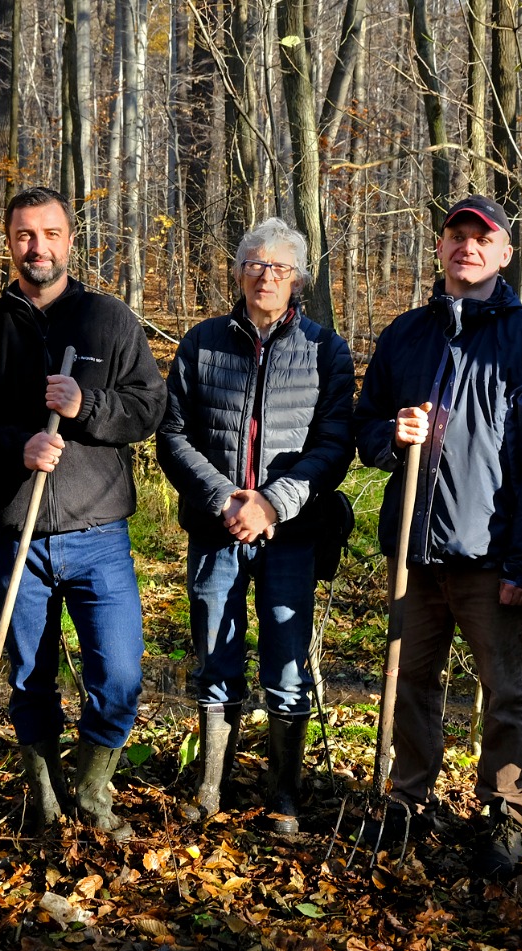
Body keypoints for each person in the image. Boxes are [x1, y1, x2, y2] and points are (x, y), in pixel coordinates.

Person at [0, 187, 167, 841]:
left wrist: (85, 406)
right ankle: (45, 799)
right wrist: (20, 444)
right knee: (31, 679)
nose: (37, 247)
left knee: (118, 676)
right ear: (10, 243)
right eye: (24, 235)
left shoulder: (108, 319)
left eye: (50, 233)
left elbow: (149, 407)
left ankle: (92, 789)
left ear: (70, 240)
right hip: (17, 536)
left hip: (99, 534)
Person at [353, 195, 522, 877]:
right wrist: (392, 434)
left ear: (505, 252)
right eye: (457, 235)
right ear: (441, 246)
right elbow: (364, 428)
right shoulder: (406, 334)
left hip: (491, 557)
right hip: (414, 556)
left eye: (483, 238)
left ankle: (506, 814)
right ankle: (408, 801)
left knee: (505, 693)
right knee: (411, 683)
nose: (467, 247)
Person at [157, 217, 354, 835]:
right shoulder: (202, 343)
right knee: (215, 658)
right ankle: (210, 786)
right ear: (239, 272)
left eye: (279, 267)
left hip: (291, 534)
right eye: (255, 264)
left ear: (297, 279)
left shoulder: (325, 350)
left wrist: (272, 503)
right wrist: (224, 500)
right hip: (215, 531)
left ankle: (284, 796)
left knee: (288, 667)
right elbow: (172, 435)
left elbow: (334, 445)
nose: (266, 276)